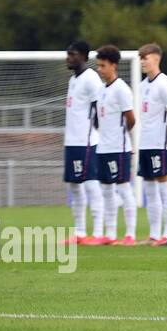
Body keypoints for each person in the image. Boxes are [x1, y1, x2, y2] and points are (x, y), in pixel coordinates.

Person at [94, 45, 138, 245]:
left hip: (118, 148)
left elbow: (131, 119)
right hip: (103, 147)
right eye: (98, 65)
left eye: (103, 66)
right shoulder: (102, 90)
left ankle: (130, 234)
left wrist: (121, 137)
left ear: (113, 65)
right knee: (106, 190)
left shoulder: (121, 89)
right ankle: (110, 234)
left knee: (123, 188)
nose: (99, 69)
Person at [137, 43, 167, 245]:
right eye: (141, 57)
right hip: (145, 144)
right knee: (149, 189)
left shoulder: (164, 83)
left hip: (160, 144)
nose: (143, 61)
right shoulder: (142, 86)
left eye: (146, 57)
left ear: (157, 58)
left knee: (164, 186)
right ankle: (154, 234)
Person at [62, 40, 104, 245]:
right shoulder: (73, 80)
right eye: (68, 54)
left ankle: (97, 233)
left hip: (86, 141)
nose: (69, 58)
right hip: (71, 141)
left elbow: (99, 108)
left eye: (73, 54)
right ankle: (79, 231)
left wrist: (98, 133)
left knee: (90, 184)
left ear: (85, 58)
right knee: (74, 186)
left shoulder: (91, 79)